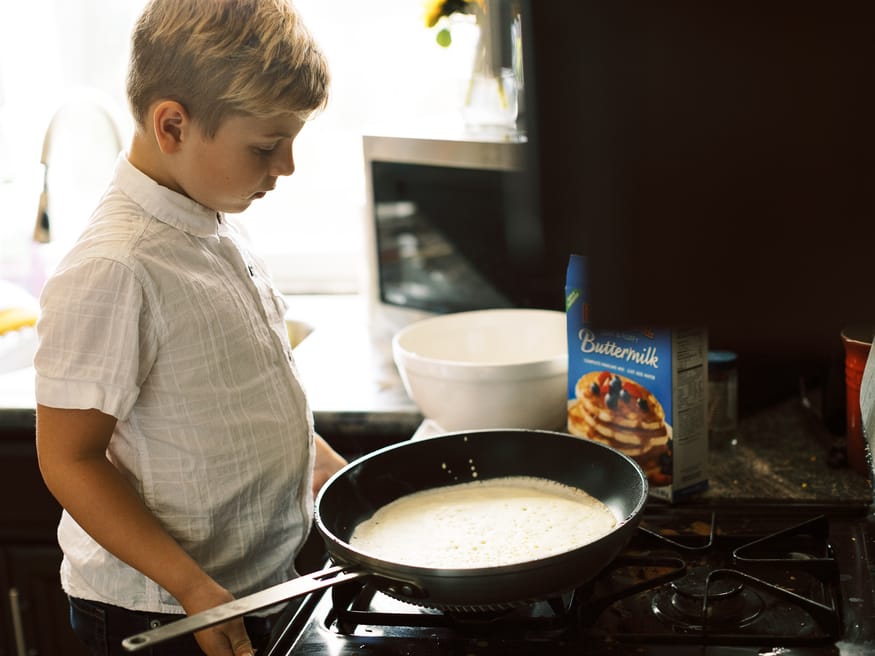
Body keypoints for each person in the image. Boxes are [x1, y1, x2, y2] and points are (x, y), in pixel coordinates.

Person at [33, 1, 347, 654]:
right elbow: (69, 458)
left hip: (245, 585)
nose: (285, 166)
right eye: (265, 146)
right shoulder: (114, 267)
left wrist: (319, 467)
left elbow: (230, 391)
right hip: (161, 611)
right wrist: (192, 588)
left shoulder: (209, 216)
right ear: (172, 125)